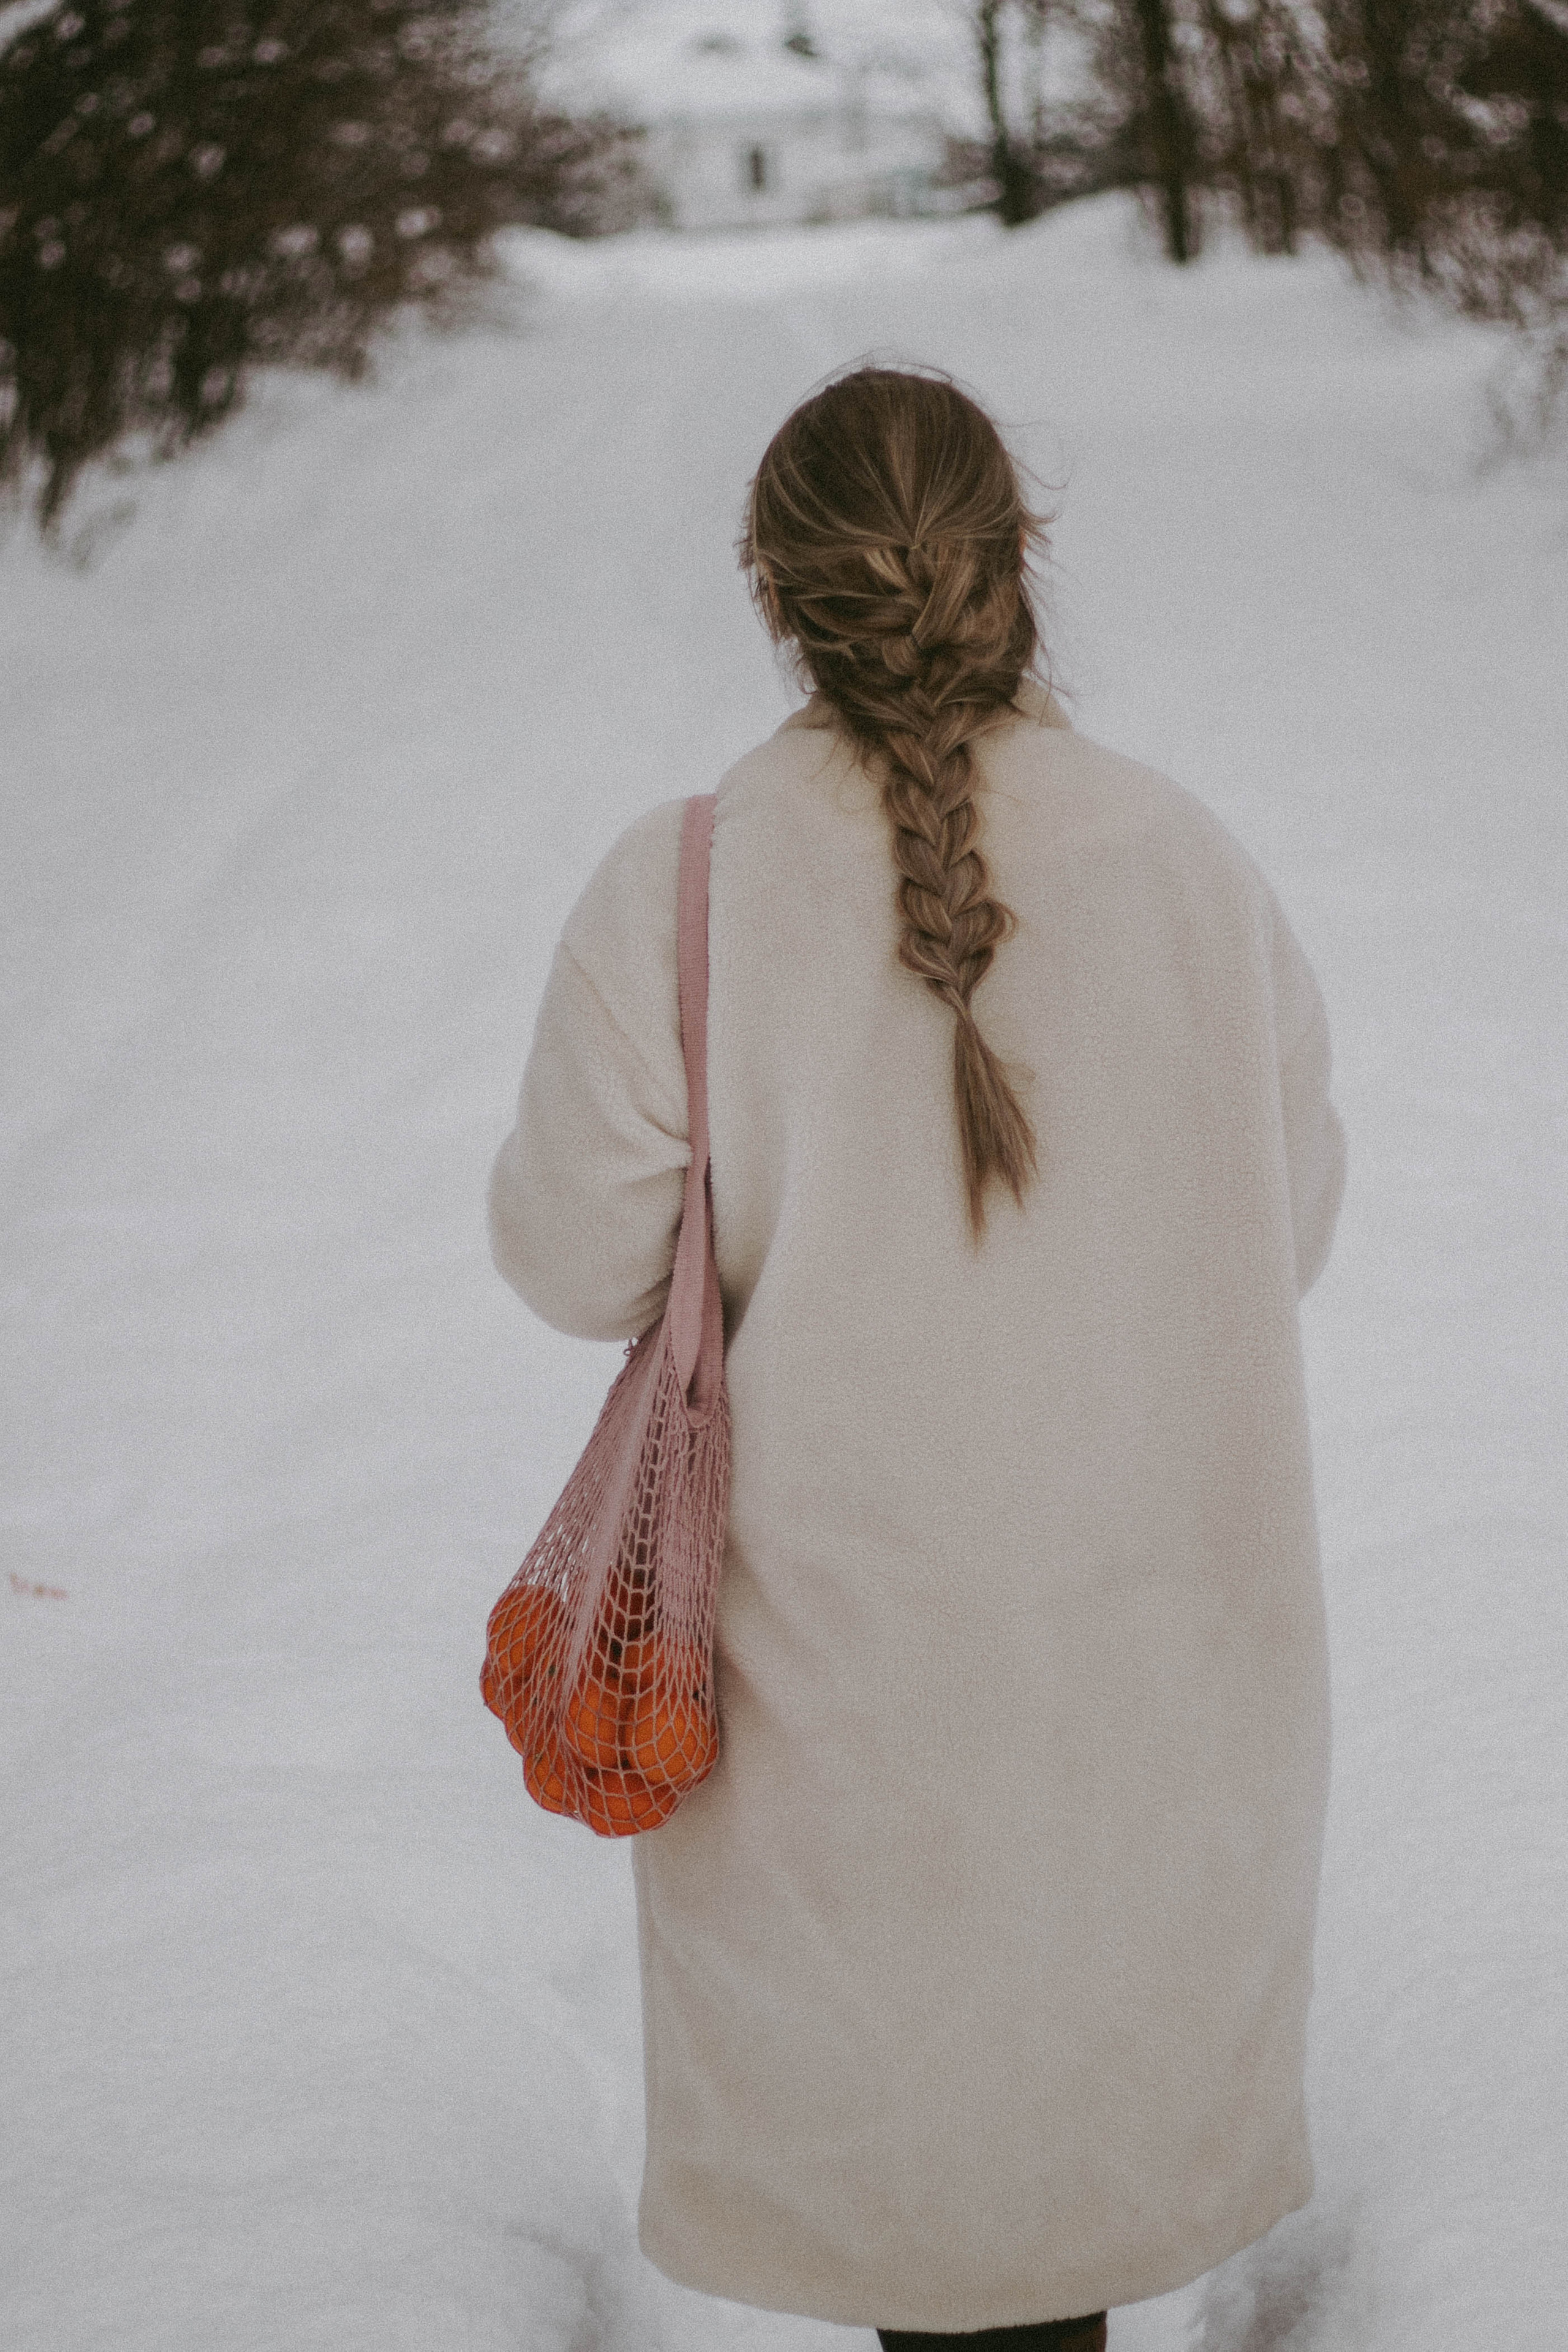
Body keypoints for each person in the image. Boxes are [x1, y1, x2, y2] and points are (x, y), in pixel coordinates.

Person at [487, 366, 1346, 2350]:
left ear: (776, 592)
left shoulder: (684, 885)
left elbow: (568, 1254)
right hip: (1159, 1654)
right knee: (1066, 2167)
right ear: (1015, 557)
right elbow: (1281, 1228)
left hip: (833, 1683)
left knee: (918, 2195)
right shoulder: (1190, 863)